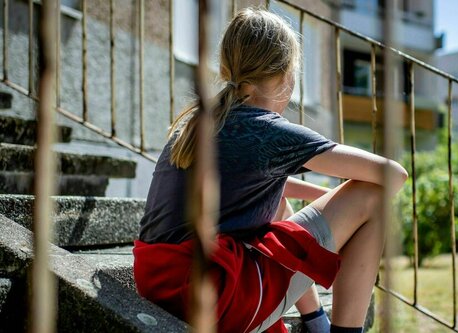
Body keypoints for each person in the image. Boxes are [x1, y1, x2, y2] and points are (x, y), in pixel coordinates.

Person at [133, 7, 407, 333]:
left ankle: (316, 323)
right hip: (214, 297)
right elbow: (395, 174)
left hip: (161, 281)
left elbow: (259, 181)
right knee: (373, 196)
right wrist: (349, 208)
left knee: (278, 202)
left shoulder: (201, 121)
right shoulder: (268, 131)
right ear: (286, 75)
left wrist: (329, 198)